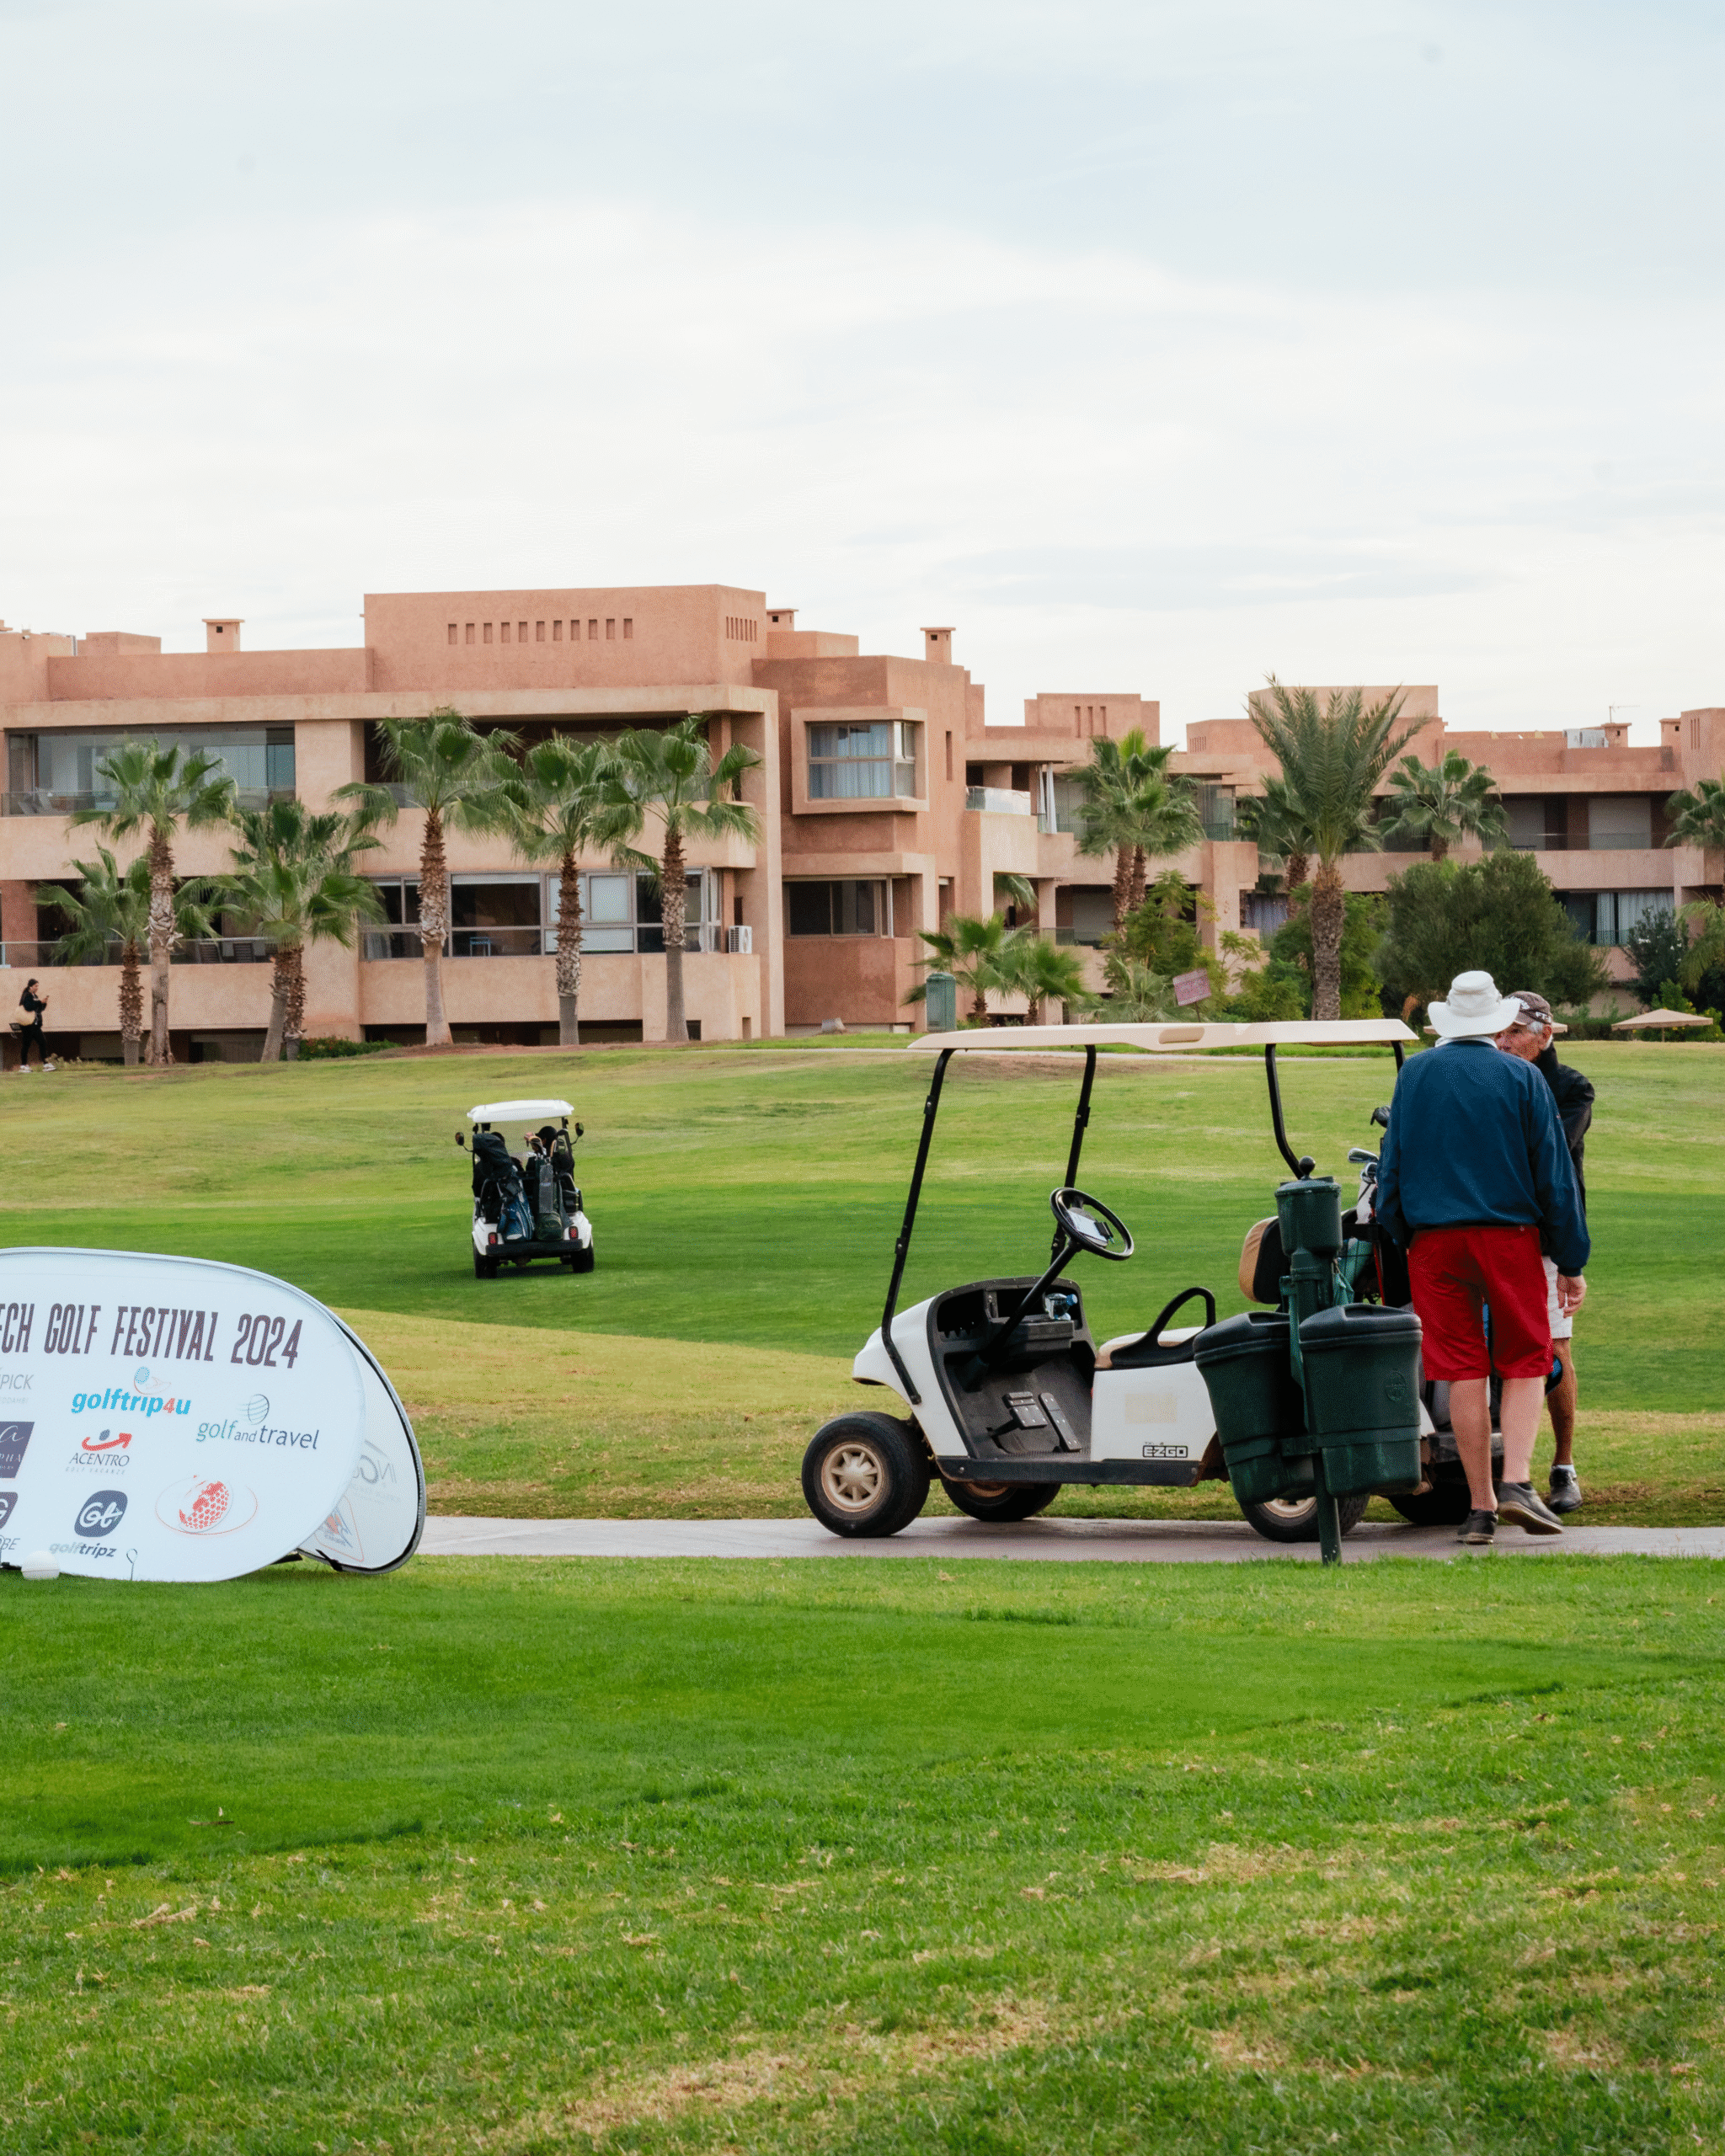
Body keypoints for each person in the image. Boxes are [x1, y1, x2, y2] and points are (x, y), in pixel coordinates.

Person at [1375, 969, 1589, 1545]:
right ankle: (1517, 1480)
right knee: (1525, 1357)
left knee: (1461, 1369)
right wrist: (1570, 1260)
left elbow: (1391, 1166)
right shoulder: (1521, 1077)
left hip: (1434, 1241)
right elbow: (1554, 1178)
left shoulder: (1414, 1074)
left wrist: (1405, 1236)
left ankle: (1479, 1507)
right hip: (1508, 1236)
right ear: (1496, 1021)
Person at [1496, 990, 1594, 1514]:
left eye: (1515, 1034)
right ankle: (1508, 1471)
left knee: (1553, 1349)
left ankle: (1563, 1465)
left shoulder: (1571, 1088)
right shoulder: (1496, 1077)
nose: (1505, 1042)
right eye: (1501, 1033)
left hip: (1549, 1235)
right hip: (1498, 1232)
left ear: (1545, 1035)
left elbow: (1545, 1148)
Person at [14, 979, 51, 1074]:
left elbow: (39, 1009)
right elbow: (28, 1007)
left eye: (38, 986)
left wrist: (44, 1003)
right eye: (36, 986)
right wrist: (39, 1002)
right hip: (28, 1025)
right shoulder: (27, 995)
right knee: (30, 1044)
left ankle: (45, 1065)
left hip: (34, 1025)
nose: (37, 988)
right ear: (31, 987)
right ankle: (25, 1066)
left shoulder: (34, 996)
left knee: (40, 1043)